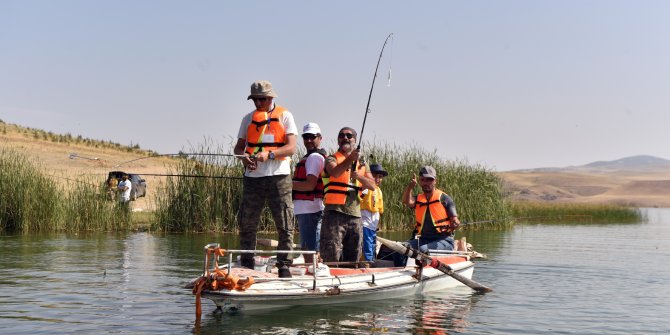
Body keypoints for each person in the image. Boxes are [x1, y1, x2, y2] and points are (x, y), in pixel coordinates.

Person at [233, 80, 297, 278]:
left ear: (270, 98)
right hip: (253, 178)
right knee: (247, 222)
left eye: (261, 99)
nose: (257, 102)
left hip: (279, 177)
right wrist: (245, 160)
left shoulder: (285, 116)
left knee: (284, 222)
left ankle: (284, 265)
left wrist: (269, 155)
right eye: (254, 99)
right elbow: (238, 148)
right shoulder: (247, 119)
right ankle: (247, 263)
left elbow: (291, 148)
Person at [319, 127, 376, 263]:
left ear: (355, 141)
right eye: (341, 135)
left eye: (349, 136)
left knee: (354, 256)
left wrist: (360, 177)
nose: (345, 138)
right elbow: (335, 172)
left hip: (355, 215)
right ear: (338, 140)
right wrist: (350, 159)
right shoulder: (331, 158)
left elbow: (372, 185)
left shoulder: (362, 163)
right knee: (331, 254)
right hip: (334, 213)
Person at [395, 165, 461, 266]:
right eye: (423, 180)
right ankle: (401, 273)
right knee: (400, 248)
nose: (426, 183)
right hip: (423, 239)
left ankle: (420, 274)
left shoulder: (445, 198)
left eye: (429, 180)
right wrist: (410, 187)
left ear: (435, 181)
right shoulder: (418, 198)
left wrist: (455, 224)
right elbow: (407, 201)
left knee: (423, 250)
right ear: (420, 182)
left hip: (444, 241)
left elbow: (455, 220)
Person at [292, 122, 327, 264]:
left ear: (320, 138)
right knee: (311, 249)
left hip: (309, 209)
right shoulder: (314, 157)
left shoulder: (314, 158)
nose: (308, 141)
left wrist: (284, 184)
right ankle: (313, 270)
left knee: (309, 250)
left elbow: (309, 185)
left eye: (312, 137)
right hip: (309, 209)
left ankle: (314, 276)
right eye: (306, 137)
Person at [360, 163, 387, 262]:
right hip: (365, 218)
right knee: (366, 241)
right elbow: (359, 199)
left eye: (380, 177)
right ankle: (366, 261)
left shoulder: (379, 191)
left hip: (374, 220)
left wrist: (377, 224)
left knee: (372, 241)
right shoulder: (366, 188)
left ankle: (371, 259)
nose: (377, 179)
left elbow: (380, 209)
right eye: (375, 176)